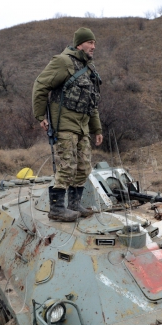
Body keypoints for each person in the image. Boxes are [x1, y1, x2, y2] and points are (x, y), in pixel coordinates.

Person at [33, 27, 104, 223]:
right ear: (79, 44)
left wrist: (97, 129)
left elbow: (92, 103)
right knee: (67, 166)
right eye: (90, 42)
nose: (93, 46)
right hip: (64, 125)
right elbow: (40, 85)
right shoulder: (63, 62)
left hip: (83, 127)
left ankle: (74, 205)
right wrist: (40, 115)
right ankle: (57, 208)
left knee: (83, 167)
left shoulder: (90, 69)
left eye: (94, 43)